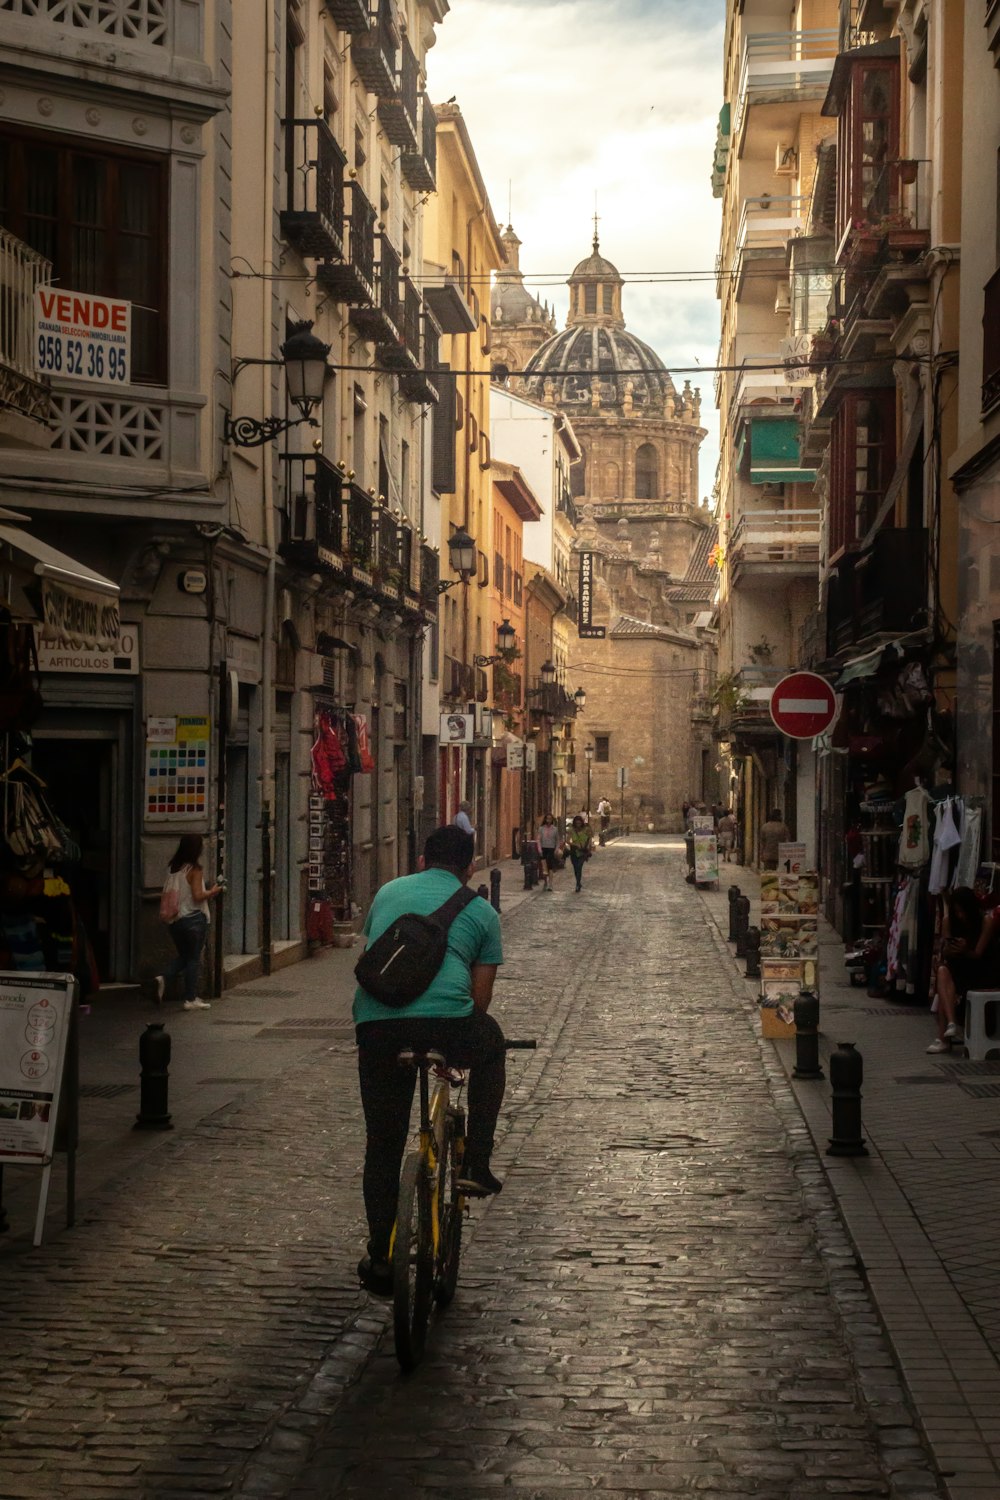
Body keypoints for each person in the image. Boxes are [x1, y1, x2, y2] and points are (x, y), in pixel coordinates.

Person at [353, 825, 505, 1296]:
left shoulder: (387, 892)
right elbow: (478, 1002)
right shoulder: (481, 912)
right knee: (493, 1044)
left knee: (383, 1143)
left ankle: (381, 1257)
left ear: (421, 860)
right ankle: (476, 1162)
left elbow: (375, 951)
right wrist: (454, 1048)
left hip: (377, 1025)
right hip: (447, 1026)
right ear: (470, 868)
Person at [154, 835, 222, 1011]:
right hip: (194, 918)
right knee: (193, 959)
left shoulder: (173, 868)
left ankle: (163, 977)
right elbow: (198, 896)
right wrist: (213, 891)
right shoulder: (194, 869)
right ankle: (190, 998)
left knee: (184, 956)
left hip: (175, 921)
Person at [928, 888, 999, 1053]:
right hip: (958, 966)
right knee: (943, 972)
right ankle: (951, 1024)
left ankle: (943, 1039)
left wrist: (965, 949)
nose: (960, 915)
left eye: (962, 911)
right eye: (957, 911)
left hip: (981, 969)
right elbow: (945, 951)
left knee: (945, 981)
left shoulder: (985, 922)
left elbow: (978, 954)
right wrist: (950, 950)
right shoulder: (949, 921)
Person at [567, 814, 593, 892]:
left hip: (583, 851)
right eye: (577, 823)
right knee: (575, 868)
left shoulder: (586, 829)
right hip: (574, 851)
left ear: (582, 823)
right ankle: (578, 882)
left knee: (579, 867)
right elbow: (568, 841)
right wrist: (575, 844)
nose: (578, 825)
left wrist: (589, 847)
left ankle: (577, 884)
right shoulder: (571, 830)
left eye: (579, 823)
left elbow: (590, 838)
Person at [537, 812, 561, 890]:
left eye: (550, 819)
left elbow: (557, 840)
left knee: (550, 867)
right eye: (547, 818)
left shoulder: (555, 829)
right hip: (543, 849)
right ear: (545, 819)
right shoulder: (541, 829)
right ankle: (545, 882)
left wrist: (556, 849)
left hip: (551, 849)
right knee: (544, 868)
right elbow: (538, 840)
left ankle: (550, 884)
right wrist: (539, 849)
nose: (548, 820)